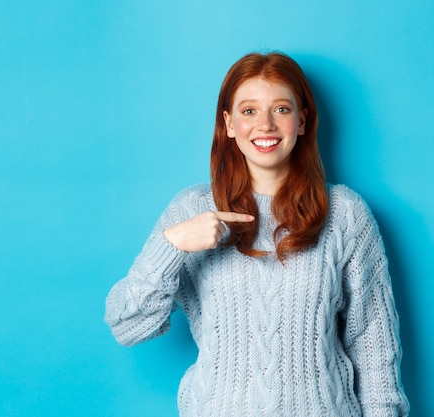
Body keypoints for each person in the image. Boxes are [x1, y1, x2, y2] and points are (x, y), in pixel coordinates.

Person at [104, 51, 410, 417]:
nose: (264, 124)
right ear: (229, 123)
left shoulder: (345, 214)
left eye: (281, 109)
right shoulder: (191, 209)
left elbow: (374, 349)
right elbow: (128, 327)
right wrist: (171, 247)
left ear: (301, 121)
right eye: (249, 111)